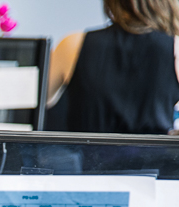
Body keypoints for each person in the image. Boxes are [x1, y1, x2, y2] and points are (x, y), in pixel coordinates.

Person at [46, 0, 179, 134]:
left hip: (87, 154)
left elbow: (34, 102)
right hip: (155, 155)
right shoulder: (176, 48)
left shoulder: (72, 44)